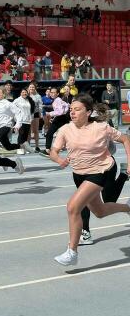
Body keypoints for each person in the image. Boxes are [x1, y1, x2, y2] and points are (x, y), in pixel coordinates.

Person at [49, 94, 130, 266]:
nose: (72, 112)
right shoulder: (65, 129)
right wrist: (59, 160)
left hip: (101, 171)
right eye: (71, 109)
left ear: (88, 112)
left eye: (77, 109)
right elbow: (53, 151)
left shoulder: (101, 127)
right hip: (79, 173)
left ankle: (72, 251)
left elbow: (125, 139)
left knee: (73, 207)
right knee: (99, 212)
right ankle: (127, 208)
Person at [41, 86, 72, 156]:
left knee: (50, 133)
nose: (52, 94)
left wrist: (50, 113)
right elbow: (66, 106)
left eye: (54, 93)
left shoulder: (57, 100)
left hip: (61, 118)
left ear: (57, 94)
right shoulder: (58, 100)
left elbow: (60, 111)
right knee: (65, 134)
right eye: (51, 92)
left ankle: (48, 150)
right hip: (63, 118)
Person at [12, 88, 34, 155]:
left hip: (28, 121)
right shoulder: (17, 100)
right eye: (23, 92)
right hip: (21, 121)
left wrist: (31, 118)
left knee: (25, 136)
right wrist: (16, 118)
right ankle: (19, 149)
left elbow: (31, 110)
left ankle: (23, 149)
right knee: (21, 136)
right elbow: (12, 108)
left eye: (25, 92)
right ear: (20, 93)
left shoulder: (28, 100)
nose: (24, 93)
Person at [28, 82, 43, 153]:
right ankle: (28, 146)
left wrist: (40, 113)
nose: (31, 88)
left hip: (36, 114)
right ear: (28, 88)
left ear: (35, 88)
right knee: (28, 131)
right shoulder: (26, 95)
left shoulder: (38, 96)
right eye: (30, 87)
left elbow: (40, 105)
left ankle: (37, 146)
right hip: (27, 114)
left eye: (33, 87)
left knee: (35, 130)